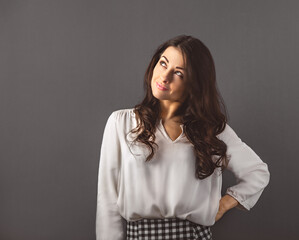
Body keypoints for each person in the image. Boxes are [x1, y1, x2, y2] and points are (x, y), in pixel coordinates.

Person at [95, 35, 270, 240]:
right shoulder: (121, 123)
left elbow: (257, 172)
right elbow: (107, 200)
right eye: (163, 64)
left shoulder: (211, 131)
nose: (164, 77)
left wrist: (223, 205)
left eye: (178, 73)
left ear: (194, 85)